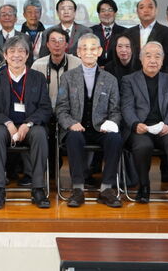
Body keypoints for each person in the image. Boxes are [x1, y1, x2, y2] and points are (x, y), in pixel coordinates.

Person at [120, 41, 168, 215]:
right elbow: (126, 107)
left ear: (162, 61)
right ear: (141, 59)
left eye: (157, 56)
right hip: (140, 128)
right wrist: (135, 124)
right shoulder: (129, 80)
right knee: (143, 145)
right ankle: (144, 186)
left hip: (164, 127)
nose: (153, 60)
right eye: (148, 56)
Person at [0, 36, 52, 209]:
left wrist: (27, 124)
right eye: (12, 51)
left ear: (27, 55)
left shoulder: (38, 78)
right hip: (3, 127)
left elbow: (45, 109)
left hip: (29, 127)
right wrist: (7, 123)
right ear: (5, 55)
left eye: (21, 51)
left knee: (40, 133)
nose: (17, 55)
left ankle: (38, 188)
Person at [56, 33, 123, 208]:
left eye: (93, 48)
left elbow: (115, 110)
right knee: (73, 137)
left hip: (101, 129)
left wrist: (111, 124)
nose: (88, 52)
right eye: (84, 48)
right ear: (78, 52)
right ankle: (78, 189)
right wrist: (70, 123)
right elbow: (61, 108)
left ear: (99, 51)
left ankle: (106, 189)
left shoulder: (110, 79)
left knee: (115, 138)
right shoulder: (68, 77)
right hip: (76, 127)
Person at [31, 27, 82, 179]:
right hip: (46, 113)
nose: (57, 44)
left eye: (61, 41)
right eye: (53, 41)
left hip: (70, 114)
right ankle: (46, 172)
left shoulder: (78, 64)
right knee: (43, 131)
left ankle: (82, 174)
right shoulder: (38, 65)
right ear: (47, 44)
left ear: (67, 44)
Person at [124, 0, 168, 72]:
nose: (146, 10)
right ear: (137, 12)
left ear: (156, 10)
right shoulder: (128, 32)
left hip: (158, 74)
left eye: (150, 7)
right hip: (132, 74)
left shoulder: (167, 32)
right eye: (141, 8)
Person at [90, 0, 127, 66]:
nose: (106, 13)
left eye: (110, 10)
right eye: (103, 11)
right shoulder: (91, 31)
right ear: (98, 14)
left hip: (117, 69)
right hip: (95, 68)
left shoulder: (125, 32)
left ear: (115, 13)